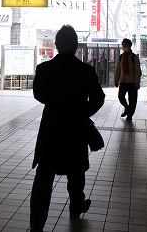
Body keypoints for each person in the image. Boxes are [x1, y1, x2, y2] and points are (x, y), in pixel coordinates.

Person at [30, 25, 105, 232]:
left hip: (51, 129)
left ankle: (37, 224)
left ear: (56, 45)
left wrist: (56, 103)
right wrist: (81, 112)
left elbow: (39, 95)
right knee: (76, 171)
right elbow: (99, 98)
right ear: (76, 46)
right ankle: (76, 206)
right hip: (75, 129)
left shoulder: (44, 69)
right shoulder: (86, 71)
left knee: (44, 178)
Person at [114, 38, 142, 121]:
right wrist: (116, 80)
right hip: (123, 81)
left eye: (125, 46)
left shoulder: (134, 57)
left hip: (132, 82)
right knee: (121, 97)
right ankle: (127, 108)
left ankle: (129, 115)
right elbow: (118, 69)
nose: (124, 47)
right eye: (123, 46)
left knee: (132, 100)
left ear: (129, 46)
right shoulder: (121, 57)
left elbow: (137, 70)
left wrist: (137, 82)